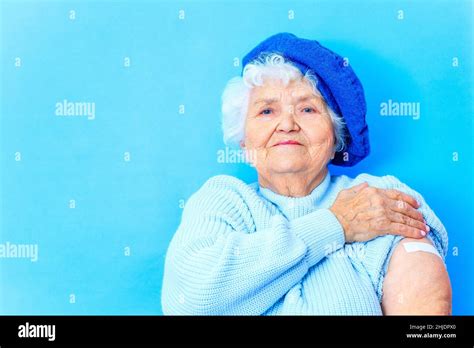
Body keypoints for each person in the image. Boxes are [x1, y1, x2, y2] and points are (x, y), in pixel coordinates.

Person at [161, 33, 451, 315]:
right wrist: (337, 224)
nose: (287, 125)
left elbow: (426, 309)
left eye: (308, 109)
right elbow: (191, 300)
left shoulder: (374, 197)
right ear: (244, 139)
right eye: (266, 111)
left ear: (336, 134)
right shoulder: (223, 202)